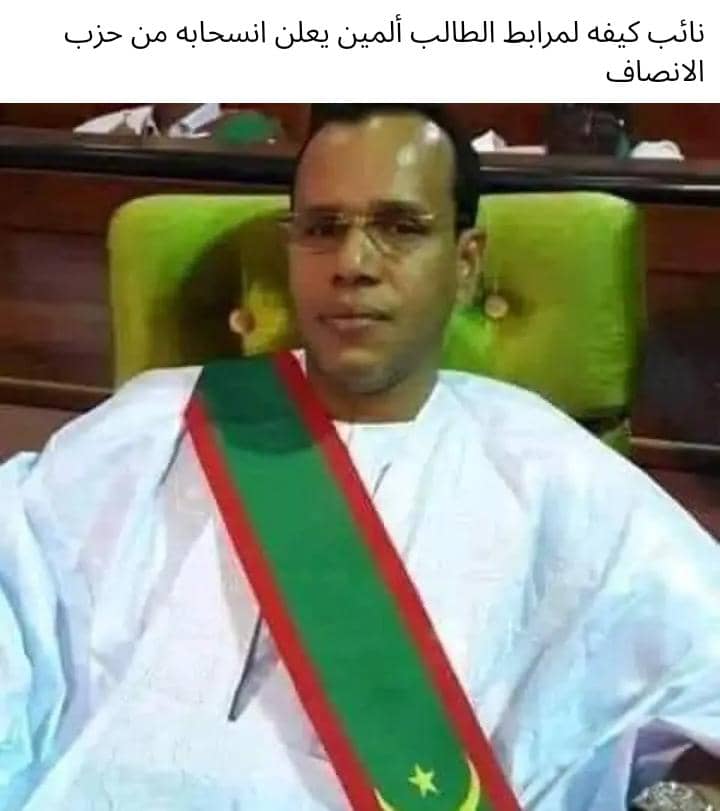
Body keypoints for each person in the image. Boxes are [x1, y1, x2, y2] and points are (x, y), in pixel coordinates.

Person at [1, 104, 719, 811]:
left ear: (466, 263)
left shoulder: (551, 470)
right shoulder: (156, 424)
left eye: (400, 227)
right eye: (323, 228)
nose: (352, 264)